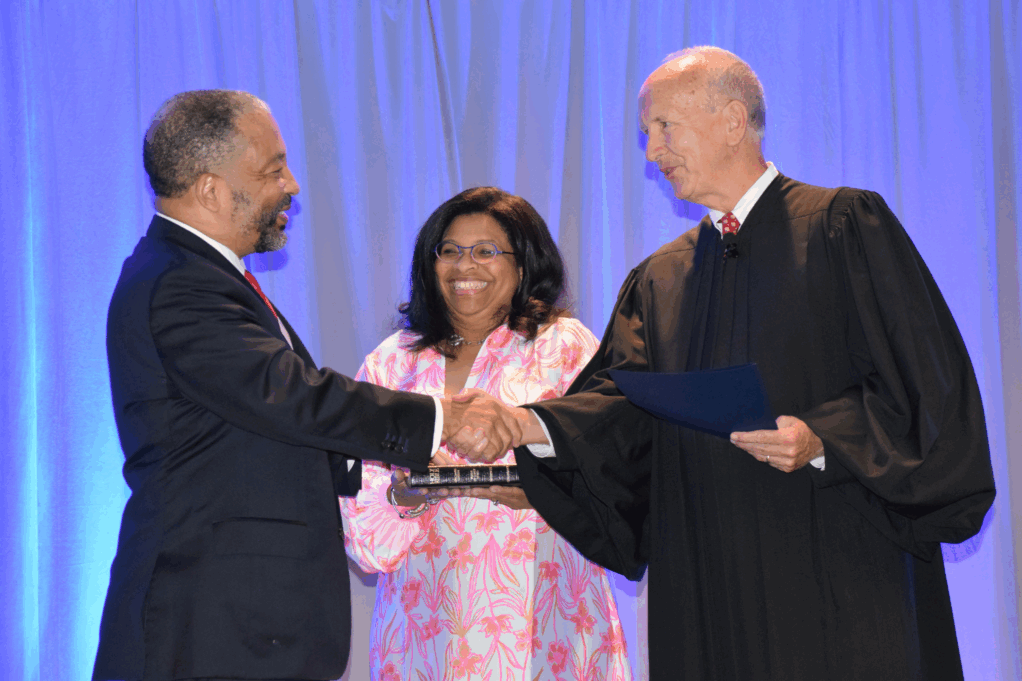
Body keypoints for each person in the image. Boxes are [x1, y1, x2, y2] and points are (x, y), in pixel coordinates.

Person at [503, 47, 996, 680]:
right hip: (707, 586)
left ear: (733, 120)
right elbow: (616, 414)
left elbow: (930, 395)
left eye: (663, 128)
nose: (651, 152)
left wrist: (824, 439)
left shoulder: (844, 227)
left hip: (838, 576)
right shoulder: (660, 279)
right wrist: (529, 428)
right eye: (646, 134)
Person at [94, 90, 517, 681]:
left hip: (235, 624)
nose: (291, 184)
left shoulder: (200, 277)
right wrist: (441, 420)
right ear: (211, 189)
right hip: (208, 627)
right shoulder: (181, 285)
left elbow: (267, 432)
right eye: (273, 170)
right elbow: (291, 397)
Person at [341, 187, 632, 681]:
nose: (464, 266)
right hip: (423, 636)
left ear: (524, 264)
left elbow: (616, 477)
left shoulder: (565, 347)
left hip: (548, 627)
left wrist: (542, 495)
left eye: (486, 251)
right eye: (449, 250)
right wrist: (407, 493)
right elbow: (364, 539)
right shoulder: (391, 361)